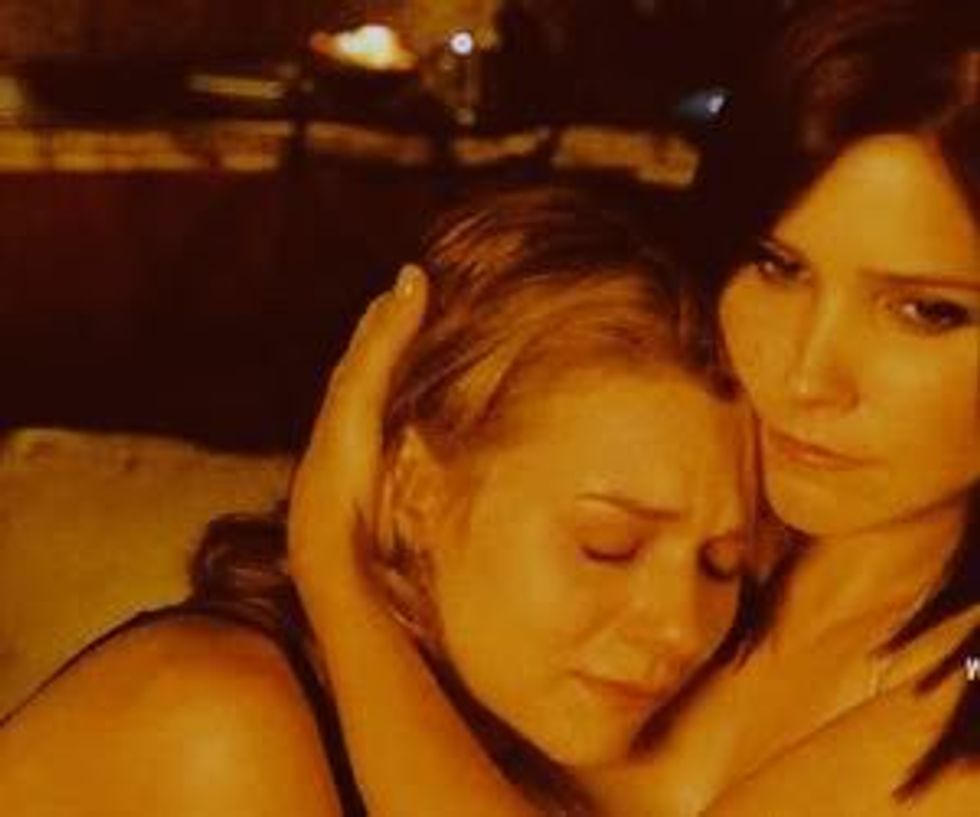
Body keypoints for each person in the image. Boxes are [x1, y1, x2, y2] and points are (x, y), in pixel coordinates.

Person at [289, 0, 979, 814]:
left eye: (927, 311)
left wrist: (339, 581)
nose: (807, 376)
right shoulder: (694, 512)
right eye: (778, 266)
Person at [0, 188, 754, 817]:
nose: (680, 625)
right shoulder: (222, 724)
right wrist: (335, 563)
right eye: (609, 545)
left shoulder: (491, 750)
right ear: (415, 489)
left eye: (723, 565)